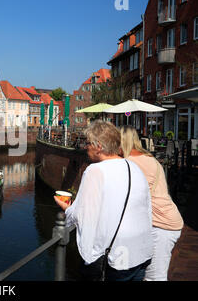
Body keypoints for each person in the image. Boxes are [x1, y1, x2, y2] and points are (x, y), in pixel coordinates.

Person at [54, 120, 153, 281]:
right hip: (141, 250)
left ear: (98, 146)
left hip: (117, 257)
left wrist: (67, 207)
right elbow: (145, 207)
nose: (86, 147)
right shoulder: (132, 166)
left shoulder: (95, 170)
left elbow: (82, 215)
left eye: (88, 143)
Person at [120, 125, 183, 281]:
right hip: (163, 220)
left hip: (161, 225)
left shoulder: (131, 162)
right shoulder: (149, 158)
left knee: (155, 277)